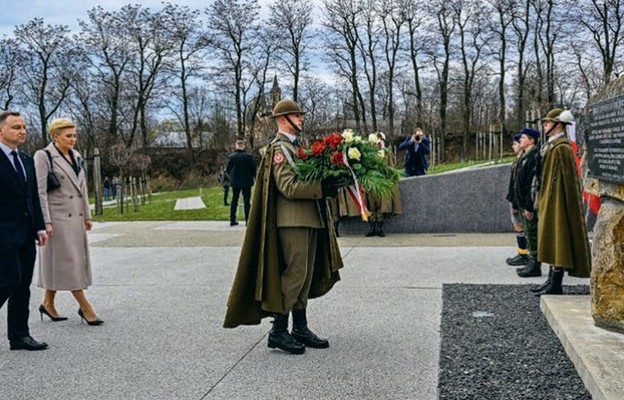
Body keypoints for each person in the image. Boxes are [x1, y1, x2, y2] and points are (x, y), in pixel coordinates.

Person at [223, 99, 344, 355]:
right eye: (296, 115)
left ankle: (300, 327)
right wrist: (320, 188)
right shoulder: (280, 149)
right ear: (282, 119)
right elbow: (288, 187)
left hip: (309, 219)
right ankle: (278, 332)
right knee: (295, 275)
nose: (301, 119)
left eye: (300, 115)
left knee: (305, 276)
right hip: (292, 221)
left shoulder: (296, 147)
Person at [33, 118, 103, 326]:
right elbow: (40, 191)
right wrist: (45, 221)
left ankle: (47, 303)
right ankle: (86, 307)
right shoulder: (43, 156)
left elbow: (82, 190)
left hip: (75, 217)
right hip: (57, 218)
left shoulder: (77, 156)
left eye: (74, 135)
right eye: (68, 135)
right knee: (70, 263)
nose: (73, 139)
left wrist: (87, 215)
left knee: (64, 262)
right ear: (55, 136)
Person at [0, 111, 49, 351]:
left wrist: (39, 226)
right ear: (1, 130)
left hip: (26, 233)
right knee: (9, 280)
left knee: (22, 285)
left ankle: (19, 335)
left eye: (23, 127)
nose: (22, 131)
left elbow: (33, 197)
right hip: (3, 233)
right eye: (16, 127)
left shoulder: (26, 160)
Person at [534, 108, 591, 295]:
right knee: (550, 238)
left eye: (548, 123)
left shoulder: (562, 148)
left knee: (558, 238)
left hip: (558, 202)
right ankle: (551, 279)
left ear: (558, 124)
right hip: (550, 199)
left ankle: (555, 282)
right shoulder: (552, 146)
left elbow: (569, 181)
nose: (544, 125)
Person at [512, 128, 541, 278]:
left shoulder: (533, 157)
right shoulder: (525, 156)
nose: (520, 140)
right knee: (529, 234)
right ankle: (531, 261)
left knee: (532, 234)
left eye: (523, 138)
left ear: (532, 140)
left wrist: (529, 206)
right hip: (523, 202)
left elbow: (532, 184)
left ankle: (535, 264)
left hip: (529, 203)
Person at [365, 132, 402, 237]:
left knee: (382, 205)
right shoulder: (367, 153)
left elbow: (391, 167)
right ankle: (372, 227)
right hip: (371, 182)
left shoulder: (386, 153)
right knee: (371, 205)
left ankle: (379, 228)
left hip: (382, 182)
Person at [505, 134, 529, 266]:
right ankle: (522, 252)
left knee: (520, 226)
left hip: (518, 199)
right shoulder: (518, 159)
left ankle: (524, 254)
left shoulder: (523, 160)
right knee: (517, 226)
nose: (513, 146)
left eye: (516, 143)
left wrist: (515, 202)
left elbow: (519, 183)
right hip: (514, 197)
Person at [227, 140, 256, 226]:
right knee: (247, 201)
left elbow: (228, 169)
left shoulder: (231, 157)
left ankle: (232, 219)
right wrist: (253, 177)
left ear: (236, 146)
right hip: (246, 181)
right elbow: (253, 168)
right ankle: (248, 220)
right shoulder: (248, 156)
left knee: (234, 200)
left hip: (235, 181)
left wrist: (231, 177)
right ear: (243, 146)